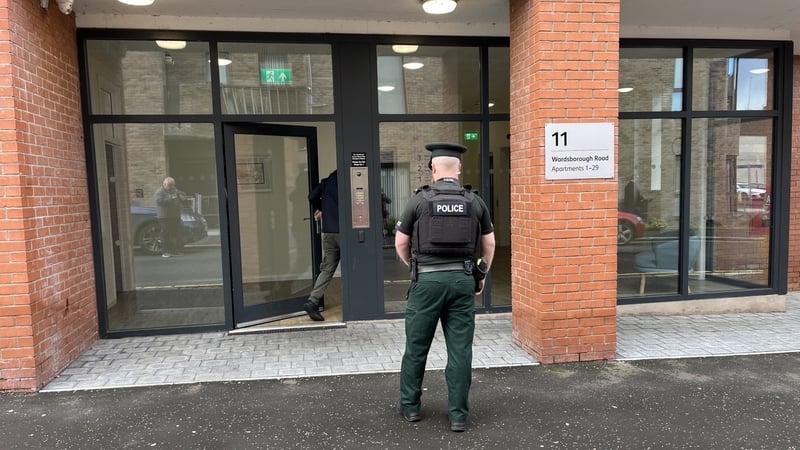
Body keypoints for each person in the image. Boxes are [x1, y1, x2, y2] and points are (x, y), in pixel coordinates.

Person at [394, 142, 496, 433]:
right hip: (462, 281)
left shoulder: (419, 201)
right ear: (459, 169)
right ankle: (458, 416)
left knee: (416, 347)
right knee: (460, 350)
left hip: (426, 282)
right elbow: (488, 243)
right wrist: (482, 273)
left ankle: (411, 407)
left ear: (433, 168)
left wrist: (413, 267)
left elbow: (401, 242)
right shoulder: (474, 201)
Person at [304, 169, 340, 321]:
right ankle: (357, 305)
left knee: (328, 268)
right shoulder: (348, 180)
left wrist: (320, 207)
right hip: (345, 232)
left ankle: (312, 302)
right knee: (354, 267)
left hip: (329, 231)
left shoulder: (327, 182)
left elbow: (312, 196)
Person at [154, 176, 185, 258]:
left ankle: (174, 251)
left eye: (173, 185)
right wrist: (171, 198)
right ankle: (165, 252)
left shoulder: (173, 190)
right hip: (165, 217)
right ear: (164, 184)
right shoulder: (159, 192)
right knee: (165, 235)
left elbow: (181, 194)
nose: (172, 187)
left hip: (174, 216)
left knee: (174, 234)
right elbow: (159, 201)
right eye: (170, 185)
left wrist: (181, 195)